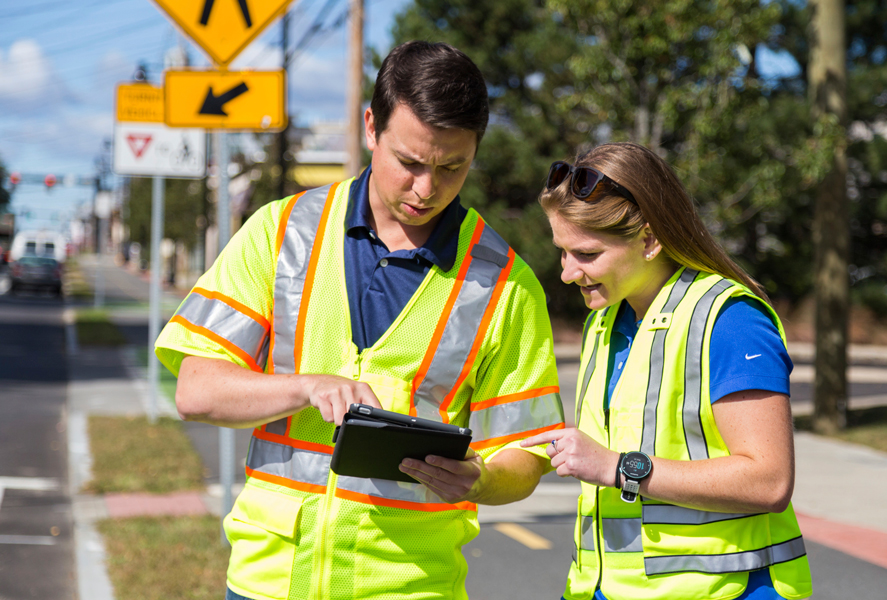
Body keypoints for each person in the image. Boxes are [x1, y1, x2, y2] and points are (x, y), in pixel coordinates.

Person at [155, 41, 565, 600]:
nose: (427, 189)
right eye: (411, 163)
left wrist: (483, 479)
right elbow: (196, 391)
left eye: (452, 167)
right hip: (269, 582)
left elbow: (528, 451)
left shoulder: (506, 285)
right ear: (370, 127)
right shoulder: (279, 232)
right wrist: (306, 387)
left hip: (409, 585)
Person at [521, 142, 813, 600]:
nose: (566, 273)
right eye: (562, 252)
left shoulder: (730, 319)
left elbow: (769, 480)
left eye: (586, 254)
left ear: (650, 240)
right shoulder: (603, 320)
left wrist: (618, 467)